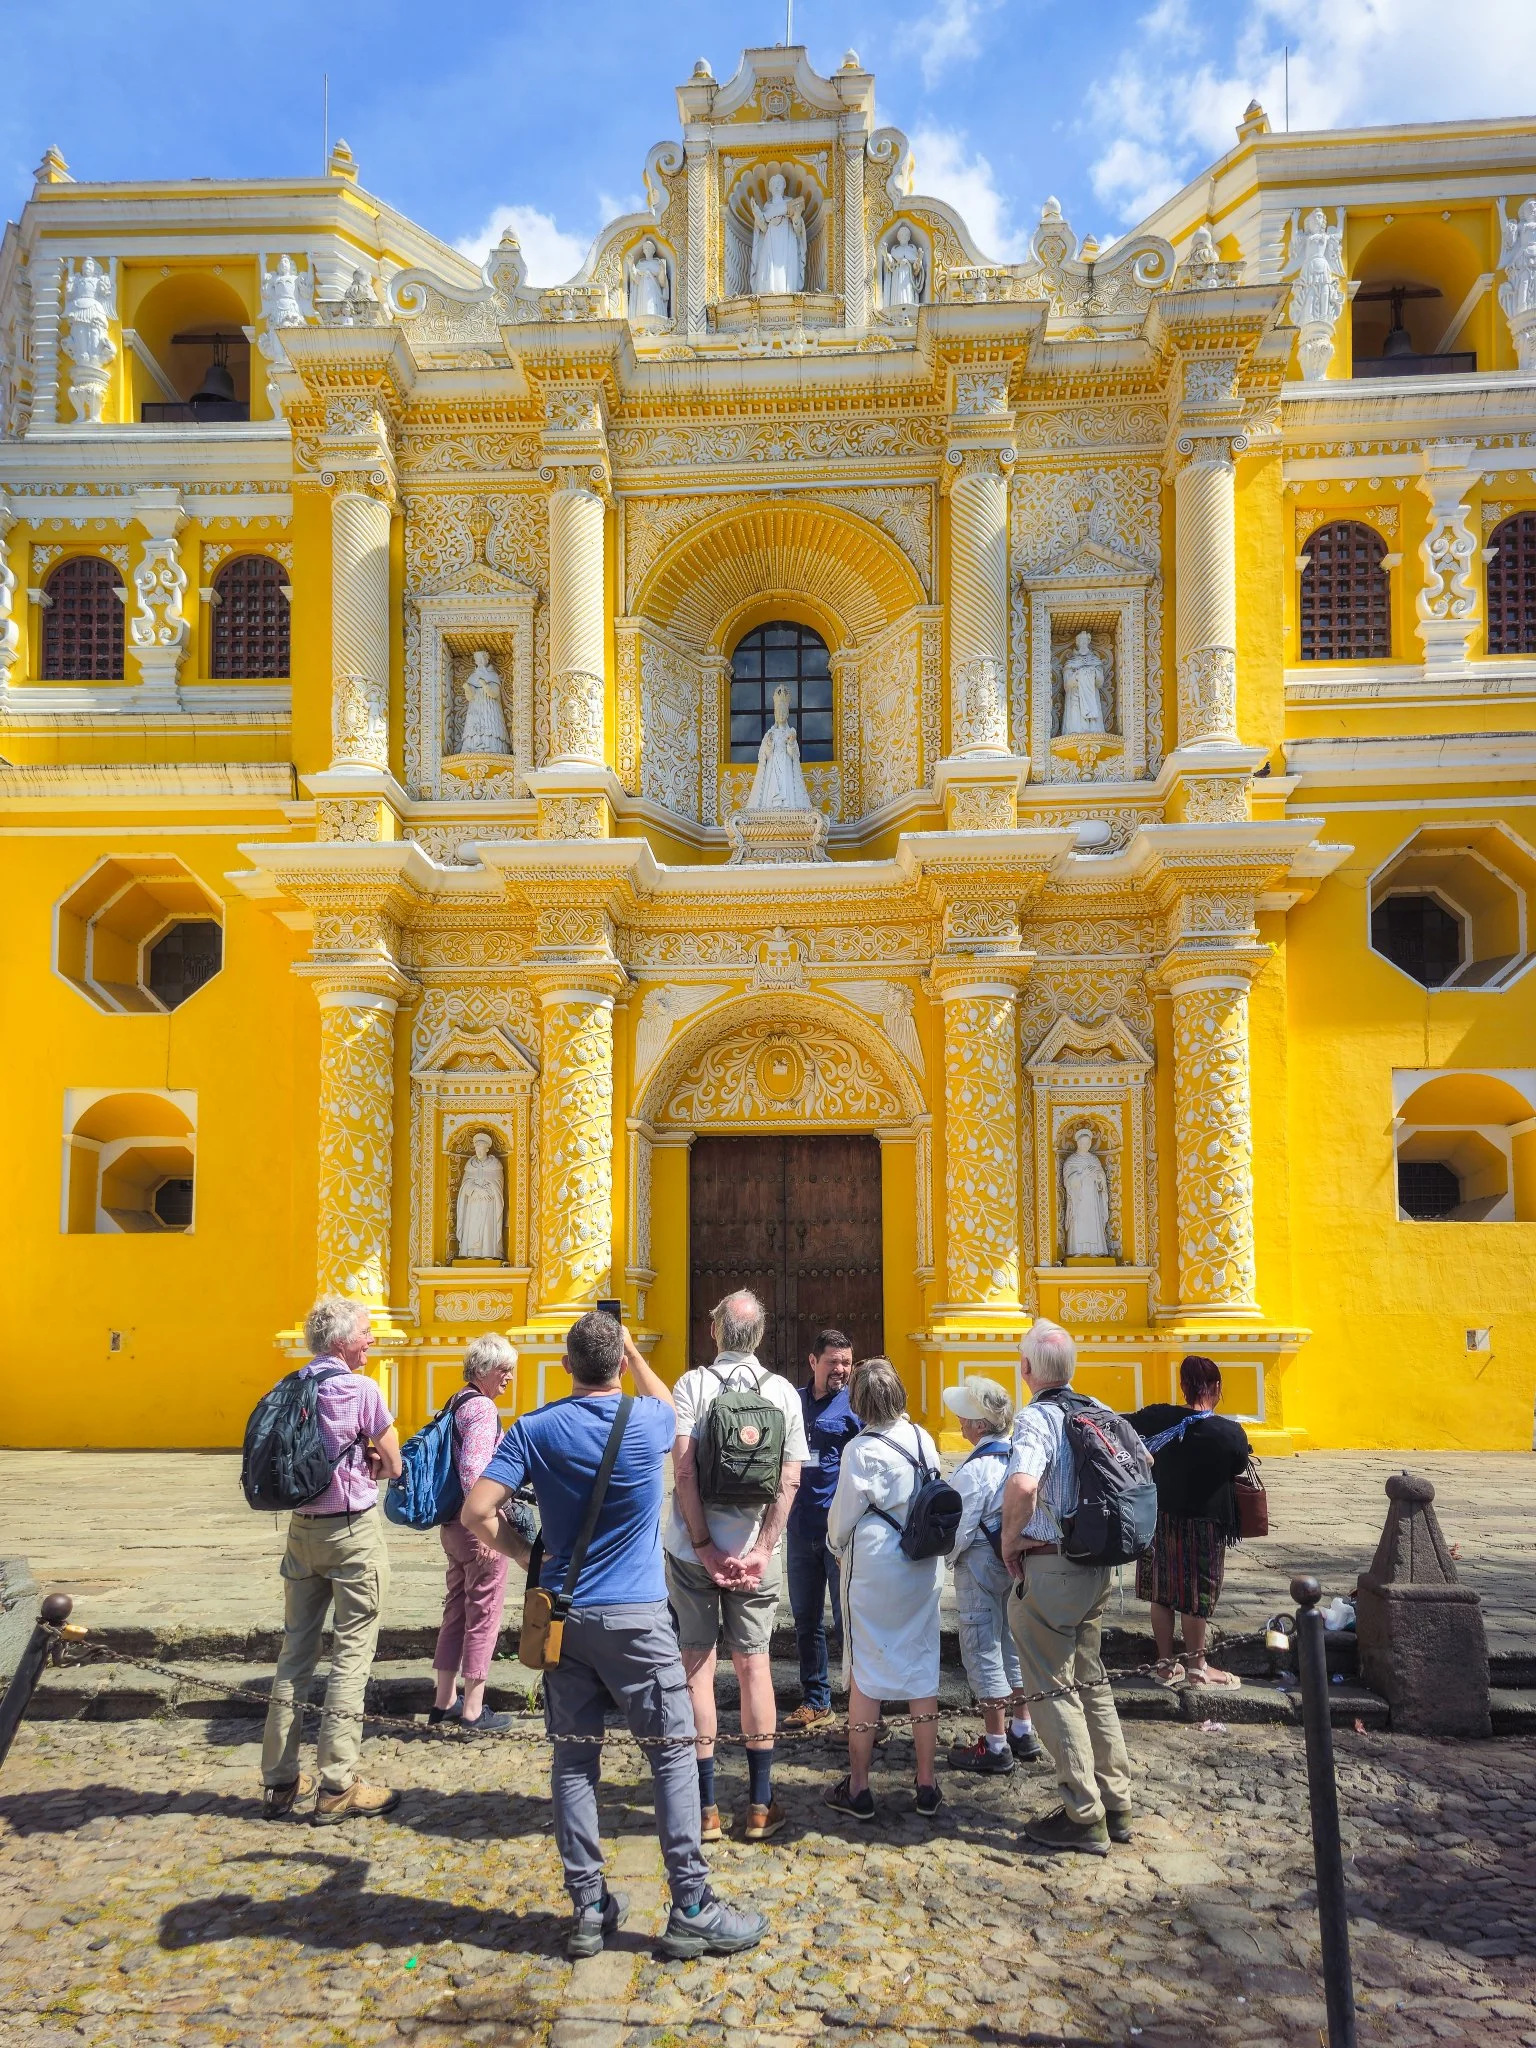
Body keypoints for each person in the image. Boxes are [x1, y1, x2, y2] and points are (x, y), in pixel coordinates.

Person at [463, 1311, 766, 1961]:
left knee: (574, 1761)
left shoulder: (535, 1429)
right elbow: (674, 1411)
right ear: (621, 1365)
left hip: (565, 1619)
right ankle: (690, 1905)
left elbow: (475, 1511)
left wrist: (522, 1556)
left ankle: (590, 1907)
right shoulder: (648, 1420)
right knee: (673, 1752)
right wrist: (634, 1351)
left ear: (566, 1367)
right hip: (636, 1619)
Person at [663, 1290, 808, 1843]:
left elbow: (682, 1473)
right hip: (754, 1557)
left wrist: (701, 1545)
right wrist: (762, 1549)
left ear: (715, 1332)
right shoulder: (782, 1394)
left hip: (691, 1554)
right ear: (762, 1336)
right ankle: (759, 1805)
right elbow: (790, 1480)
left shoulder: (693, 1386)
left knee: (696, 1670)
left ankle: (704, 1810)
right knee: (755, 1668)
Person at [260, 1297, 403, 1824]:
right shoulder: (360, 1389)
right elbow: (394, 1461)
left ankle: (279, 1781)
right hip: (350, 1533)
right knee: (350, 1657)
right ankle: (338, 1783)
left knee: (294, 1653)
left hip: (300, 1532)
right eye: (366, 1333)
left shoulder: (292, 1385)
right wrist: (374, 1462)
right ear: (343, 1341)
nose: (371, 1340)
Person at [1001, 1318, 1133, 1857]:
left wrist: (1011, 1541)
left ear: (1027, 1370)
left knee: (1051, 1688)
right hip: (1097, 1569)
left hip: (1051, 1569)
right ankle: (1117, 1800)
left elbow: (1024, 1484)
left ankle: (1084, 1813)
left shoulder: (1036, 1419)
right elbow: (1140, 1463)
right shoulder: (1097, 1408)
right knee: (1092, 1681)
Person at [824, 1357, 944, 1822]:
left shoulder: (860, 1449)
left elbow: (842, 1517)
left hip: (875, 1568)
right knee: (921, 1668)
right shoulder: (923, 1438)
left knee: (866, 1668)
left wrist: (835, 1544)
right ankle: (927, 1782)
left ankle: (858, 1786)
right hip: (920, 1564)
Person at [1128, 1355, 1252, 1689]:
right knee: (1197, 1594)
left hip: (1161, 1519)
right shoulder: (1228, 1433)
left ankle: (1166, 1665)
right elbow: (1238, 1465)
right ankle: (1198, 1667)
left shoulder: (1158, 1418)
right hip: (1204, 1524)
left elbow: (1121, 1426)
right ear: (1217, 1387)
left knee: (1161, 1592)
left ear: (1182, 1386)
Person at [940, 1378, 1044, 1775]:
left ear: (980, 1425)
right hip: (1013, 1565)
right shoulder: (1018, 1457)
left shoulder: (976, 1469)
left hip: (981, 1568)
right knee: (1011, 1643)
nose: (961, 1422)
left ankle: (996, 1742)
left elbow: (958, 1532)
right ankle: (1023, 1727)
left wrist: (943, 1558)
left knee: (982, 1644)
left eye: (966, 1416)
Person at [429, 1334, 518, 1733]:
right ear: (484, 1370)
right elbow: (474, 1472)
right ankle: (473, 1709)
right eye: (505, 1370)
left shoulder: (457, 1401)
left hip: (451, 1526)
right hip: (475, 1527)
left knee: (455, 1610)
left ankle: (444, 1699)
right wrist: (486, 1532)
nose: (510, 1378)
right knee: (483, 1613)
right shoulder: (482, 1409)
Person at [783, 1328, 860, 1731]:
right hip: (798, 1529)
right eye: (833, 1362)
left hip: (838, 1535)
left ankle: (861, 1705)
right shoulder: (792, 1402)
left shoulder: (855, 1406)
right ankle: (816, 1700)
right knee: (806, 1620)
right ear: (814, 1362)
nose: (841, 1370)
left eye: (846, 1362)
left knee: (848, 1620)